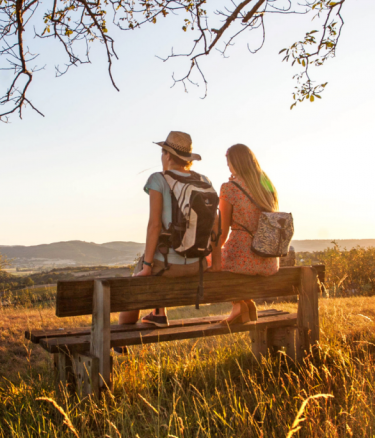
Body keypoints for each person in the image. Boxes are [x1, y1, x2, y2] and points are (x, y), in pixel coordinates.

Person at [119, 131, 214, 328]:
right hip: (199, 265)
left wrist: (146, 266)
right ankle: (158, 313)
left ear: (168, 155)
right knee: (160, 259)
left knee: (134, 284)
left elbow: (154, 225)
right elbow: (215, 223)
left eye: (163, 152)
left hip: (169, 266)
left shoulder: (158, 180)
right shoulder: (204, 181)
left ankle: (120, 341)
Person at [212, 144, 280, 324]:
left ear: (235, 163)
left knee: (212, 263)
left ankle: (238, 306)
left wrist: (213, 253)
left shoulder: (229, 188)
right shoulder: (266, 185)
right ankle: (246, 302)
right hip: (269, 260)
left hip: (242, 256)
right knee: (232, 265)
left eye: (228, 163)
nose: (227, 166)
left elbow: (223, 231)